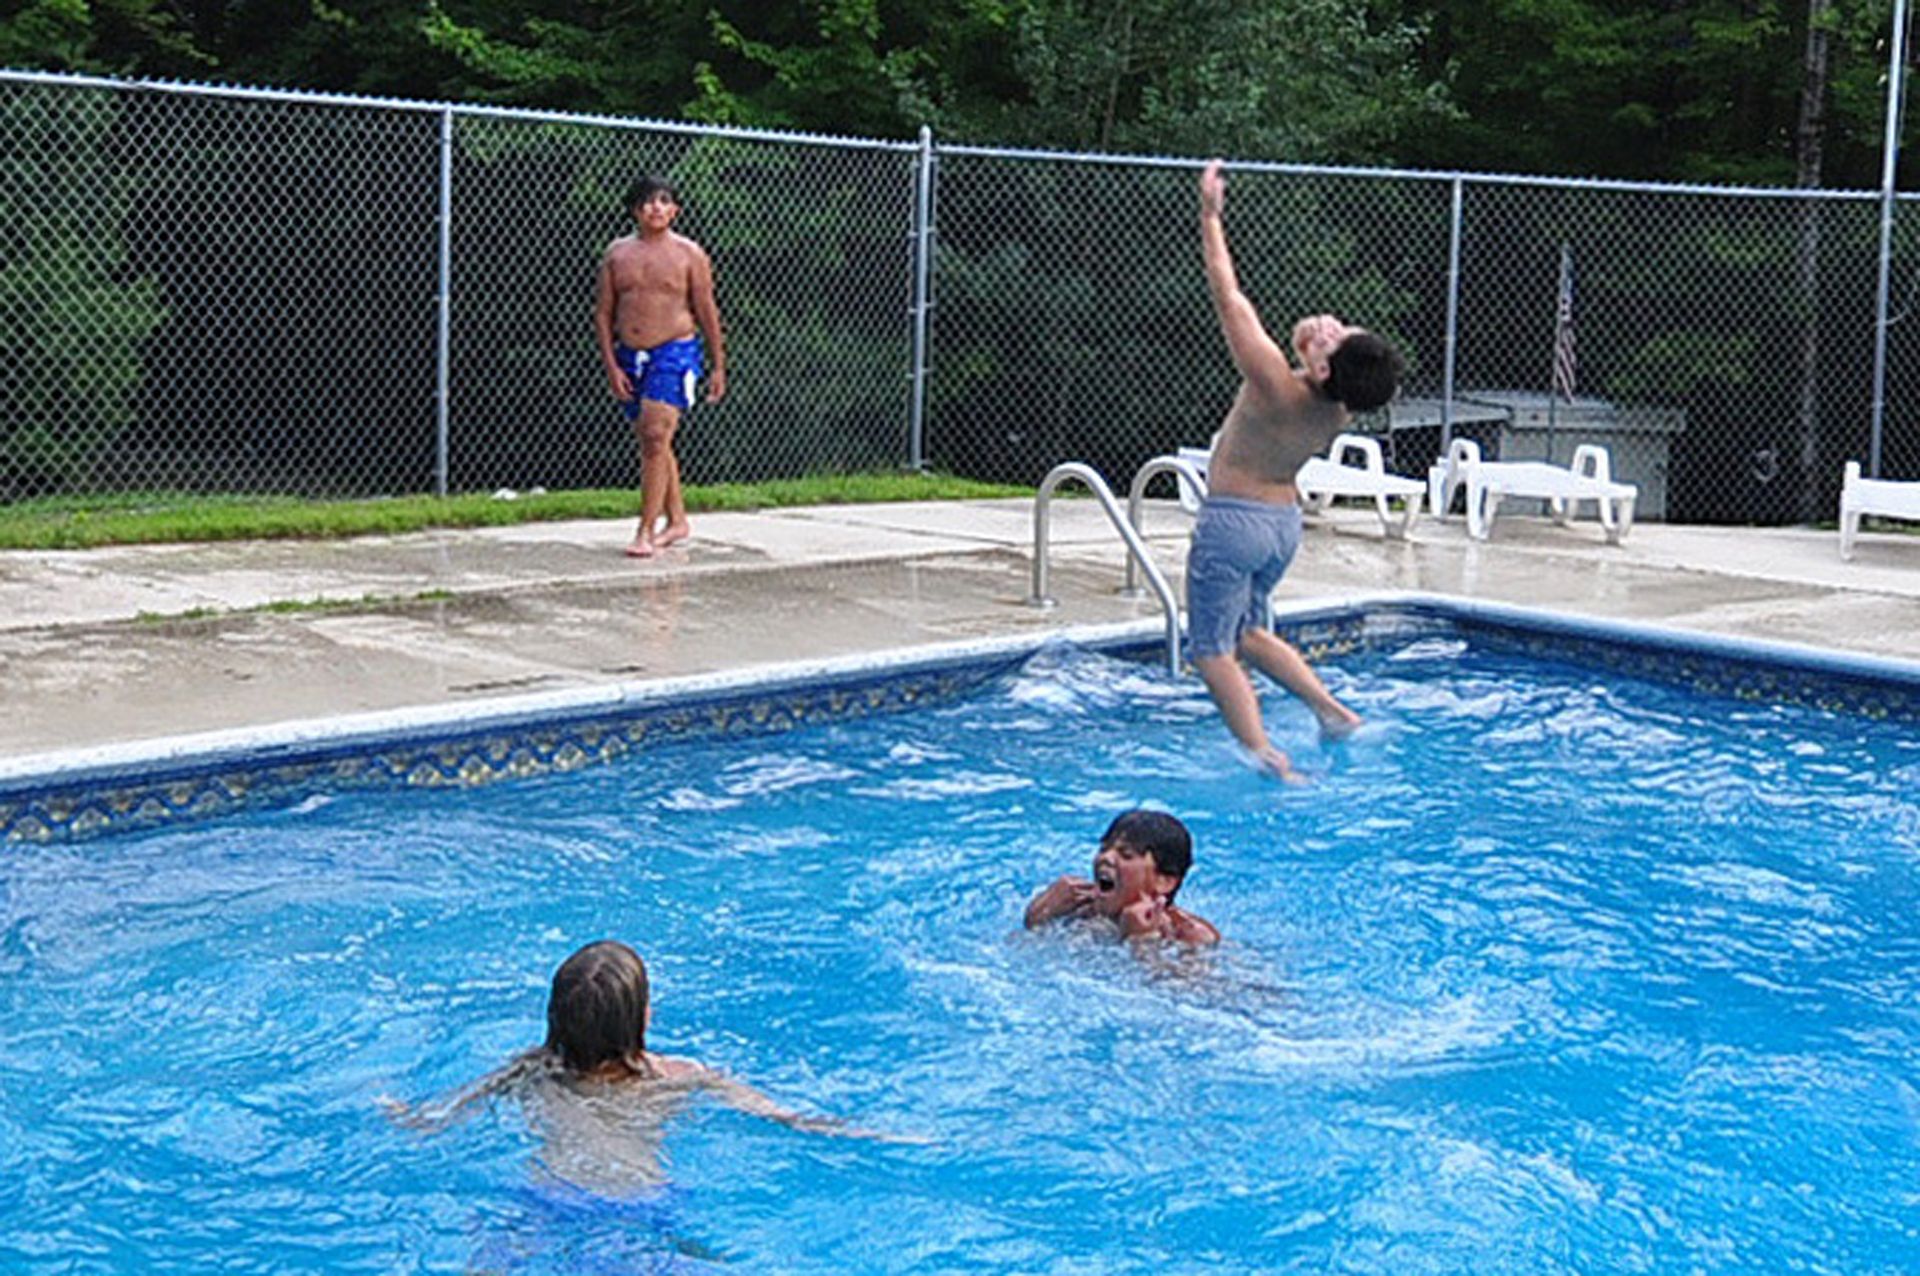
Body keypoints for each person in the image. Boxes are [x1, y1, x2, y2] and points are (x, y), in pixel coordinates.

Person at [383, 940, 908, 1197]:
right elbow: (784, 1118)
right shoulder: (680, 1075)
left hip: (549, 1198)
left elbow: (436, 1119)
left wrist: (392, 1105)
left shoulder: (527, 1070)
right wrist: (865, 1133)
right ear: (644, 1018)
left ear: (555, 1018)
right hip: (641, 1202)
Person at [1187, 159, 1403, 781]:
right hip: (1282, 527)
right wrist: (1315, 338)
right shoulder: (1335, 411)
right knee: (1250, 630)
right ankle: (1332, 711)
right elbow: (1328, 363)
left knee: (1212, 651)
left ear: (1328, 368)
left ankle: (1267, 757)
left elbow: (1227, 292)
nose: (1328, 327)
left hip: (1234, 523)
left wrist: (1210, 216)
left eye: (1335, 337)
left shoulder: (1273, 381)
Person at [594, 176, 728, 559]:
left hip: (675, 351)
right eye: (648, 202)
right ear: (635, 210)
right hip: (630, 355)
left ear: (675, 210)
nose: (656, 208)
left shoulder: (689, 254)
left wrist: (718, 364)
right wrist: (610, 365)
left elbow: (706, 310)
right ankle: (678, 521)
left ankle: (645, 531)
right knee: (653, 439)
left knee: (655, 436)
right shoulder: (617, 255)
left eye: (664, 201)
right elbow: (604, 314)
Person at [1023, 809, 1220, 946]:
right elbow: (1021, 945)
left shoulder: (1192, 935)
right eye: (1104, 848)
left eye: (1126, 855)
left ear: (1164, 881)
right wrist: (1042, 911)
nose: (1105, 857)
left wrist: (1143, 943)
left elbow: (1183, 996)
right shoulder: (1081, 909)